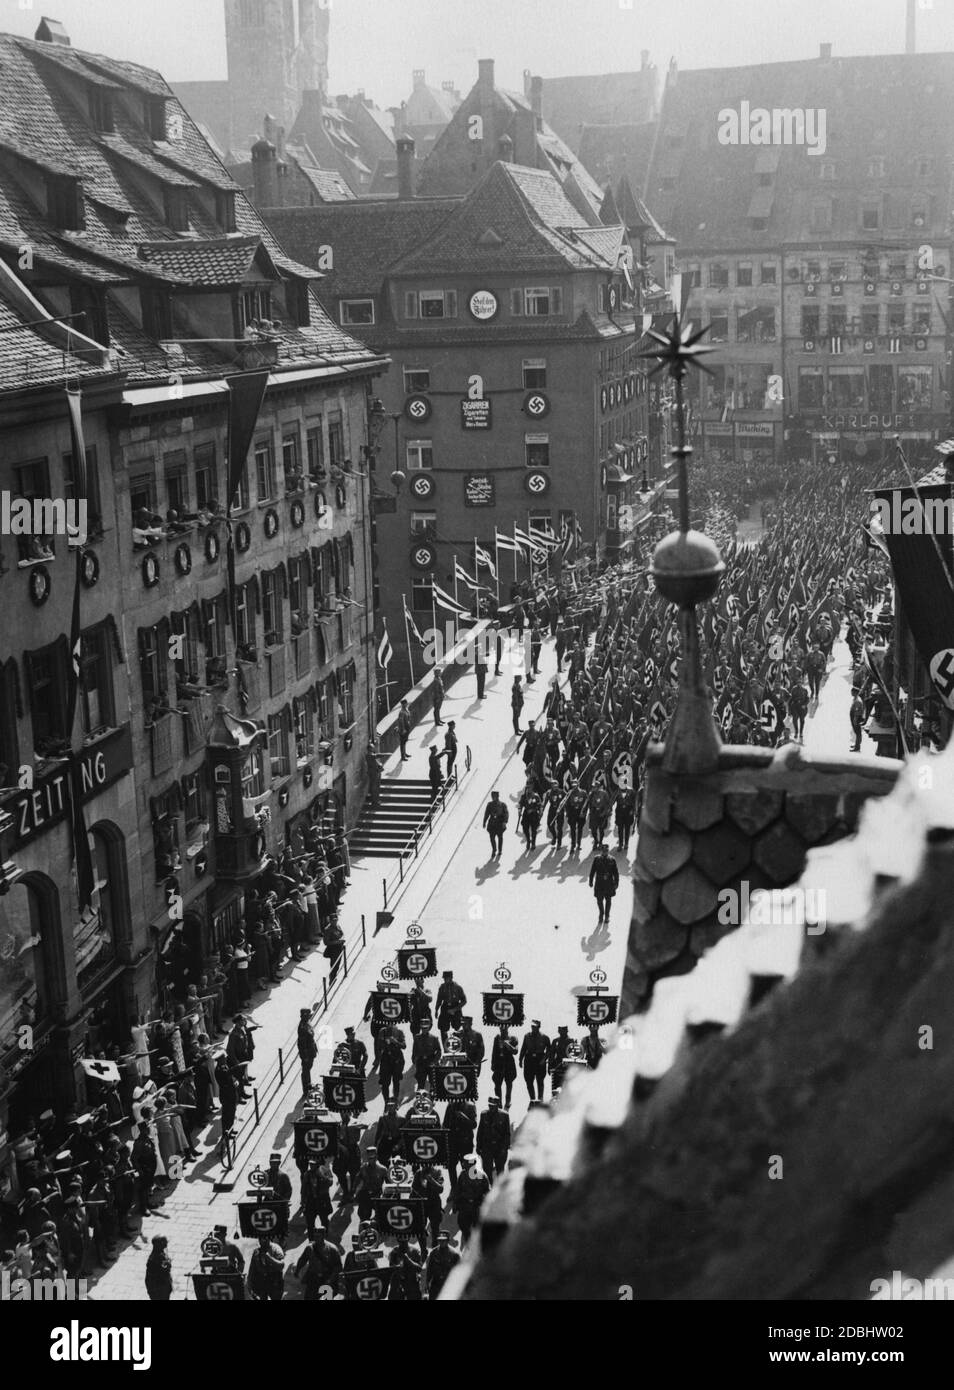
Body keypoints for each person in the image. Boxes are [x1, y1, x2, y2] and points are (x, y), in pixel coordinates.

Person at [296, 1229, 343, 1300]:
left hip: (327, 1278)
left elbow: (338, 1266)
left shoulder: (332, 1249)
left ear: (324, 1236)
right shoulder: (310, 1248)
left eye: (318, 1236)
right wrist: (297, 1270)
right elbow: (302, 1260)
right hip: (313, 1279)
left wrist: (331, 1279)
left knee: (328, 1298)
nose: (316, 1238)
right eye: (315, 1236)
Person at [452, 1156, 491, 1244]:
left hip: (476, 1205)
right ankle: (468, 1243)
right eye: (465, 1164)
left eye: (467, 1164)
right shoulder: (462, 1175)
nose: (465, 1166)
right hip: (464, 1205)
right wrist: (455, 1203)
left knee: (478, 1228)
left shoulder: (481, 1175)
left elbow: (488, 1191)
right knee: (463, 1226)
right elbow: (458, 1190)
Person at [476, 1096, 511, 1176]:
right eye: (489, 1105)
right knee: (487, 1171)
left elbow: (507, 1133)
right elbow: (480, 1131)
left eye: (493, 1105)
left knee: (500, 1171)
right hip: (487, 1147)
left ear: (497, 1105)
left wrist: (504, 1149)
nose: (491, 1107)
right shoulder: (484, 1114)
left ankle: (500, 1188)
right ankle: (489, 1187)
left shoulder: (504, 1115)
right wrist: (478, 1146)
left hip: (499, 1147)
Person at [247, 1232, 286, 1301]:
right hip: (262, 1280)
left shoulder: (276, 1249)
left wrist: (269, 1258)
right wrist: (249, 1282)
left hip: (274, 1280)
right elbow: (252, 1268)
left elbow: (281, 1265)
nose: (262, 1241)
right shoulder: (257, 1252)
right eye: (260, 1239)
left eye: (264, 1239)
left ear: (269, 1239)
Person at [131, 1123, 158, 1219]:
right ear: (142, 1130)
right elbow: (133, 1158)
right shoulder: (138, 1142)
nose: (148, 1130)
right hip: (144, 1168)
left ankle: (148, 1203)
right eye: (146, 1129)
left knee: (148, 1186)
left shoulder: (147, 1138)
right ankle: (143, 1207)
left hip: (150, 1167)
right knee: (143, 1188)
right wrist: (139, 1170)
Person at [354, 1147, 387, 1222]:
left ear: (376, 1157)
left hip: (377, 1194)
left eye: (372, 1157)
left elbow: (389, 1184)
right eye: (369, 1157)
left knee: (380, 1216)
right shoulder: (363, 1168)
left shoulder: (382, 1169)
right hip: (366, 1194)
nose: (370, 1159)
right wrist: (354, 1192)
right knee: (363, 1215)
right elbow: (357, 1180)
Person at [589, 844, 620, 922]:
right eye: (603, 851)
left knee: (608, 900)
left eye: (606, 851)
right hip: (599, 883)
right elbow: (592, 871)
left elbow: (616, 873)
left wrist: (616, 883)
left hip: (609, 883)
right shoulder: (596, 859)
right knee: (599, 900)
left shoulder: (612, 860)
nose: (605, 852)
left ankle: (607, 916)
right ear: (601, 851)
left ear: (608, 851)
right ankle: (601, 914)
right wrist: (590, 881)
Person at [426, 1231, 460, 1299]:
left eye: (444, 1240)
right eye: (440, 1240)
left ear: (448, 1241)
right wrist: (427, 1282)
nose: (441, 1242)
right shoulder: (433, 1252)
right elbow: (430, 1269)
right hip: (436, 1285)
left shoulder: (454, 1254)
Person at [436, 971, 467, 1046]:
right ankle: (445, 1047)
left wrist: (455, 1009)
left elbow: (464, 1001)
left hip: (455, 1007)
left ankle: (457, 1046)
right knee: (443, 1028)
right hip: (445, 1007)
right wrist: (436, 1009)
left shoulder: (458, 987)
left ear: (450, 978)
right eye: (444, 978)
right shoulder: (442, 987)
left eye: (446, 978)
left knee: (458, 1027)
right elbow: (439, 999)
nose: (445, 980)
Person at [491, 1024, 518, 1108]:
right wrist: (492, 1063)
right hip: (499, 1063)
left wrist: (507, 1044)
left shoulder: (513, 1038)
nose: (502, 1030)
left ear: (507, 1028)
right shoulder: (497, 1038)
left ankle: (507, 1102)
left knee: (509, 1084)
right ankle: (498, 1103)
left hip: (509, 1063)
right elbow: (494, 1051)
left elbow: (515, 1051)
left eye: (504, 1029)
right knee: (497, 1084)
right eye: (501, 1029)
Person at [378, 1025, 406, 1104]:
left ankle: (395, 1101)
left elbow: (404, 1046)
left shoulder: (399, 1031)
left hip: (397, 1059)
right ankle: (386, 1102)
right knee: (384, 1083)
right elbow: (379, 1046)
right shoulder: (383, 1031)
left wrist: (395, 1041)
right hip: (386, 1060)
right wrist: (386, 1043)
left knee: (396, 1081)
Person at [412, 1023, 441, 1089]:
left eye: (425, 1028)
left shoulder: (434, 1038)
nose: (424, 1030)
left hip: (430, 1061)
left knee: (433, 1082)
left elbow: (439, 1051)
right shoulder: (417, 1037)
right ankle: (420, 1098)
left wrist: (434, 1061)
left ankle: (432, 1097)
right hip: (421, 1062)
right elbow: (414, 1050)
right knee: (420, 1083)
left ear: (428, 1028)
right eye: (422, 1028)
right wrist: (414, 1060)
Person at [144, 1234, 173, 1300]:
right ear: (160, 1244)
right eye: (165, 1243)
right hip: (158, 1288)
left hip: (161, 1286)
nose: (166, 1244)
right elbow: (161, 1272)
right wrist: (167, 1265)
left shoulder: (160, 1252)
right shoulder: (154, 1259)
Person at [482, 790, 509, 859]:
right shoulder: (489, 804)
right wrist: (484, 822)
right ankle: (494, 849)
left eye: (494, 796)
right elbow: (487, 813)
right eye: (492, 796)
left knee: (500, 837)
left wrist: (505, 822)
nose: (493, 798)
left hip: (499, 823)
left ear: (497, 797)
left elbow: (506, 813)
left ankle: (500, 850)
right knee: (492, 838)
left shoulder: (502, 805)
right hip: (492, 823)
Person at [297, 1009, 317, 1094]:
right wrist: (305, 1056)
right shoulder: (302, 1027)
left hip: (310, 1051)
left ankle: (309, 1084)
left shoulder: (307, 1024)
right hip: (307, 1053)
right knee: (305, 1070)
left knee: (308, 1069)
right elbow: (302, 1044)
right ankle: (306, 1089)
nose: (310, 1016)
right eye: (309, 1015)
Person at [566, 780, 588, 853]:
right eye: (573, 785)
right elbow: (567, 804)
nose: (574, 787)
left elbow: (586, 804)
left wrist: (584, 813)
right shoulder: (569, 793)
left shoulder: (583, 793)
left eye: (576, 785)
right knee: (572, 829)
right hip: (572, 813)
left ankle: (579, 844)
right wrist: (568, 813)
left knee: (580, 829)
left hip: (580, 812)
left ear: (578, 784)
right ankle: (573, 845)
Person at [614, 783, 636, 852]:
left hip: (628, 812)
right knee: (620, 829)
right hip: (619, 812)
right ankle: (620, 844)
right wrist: (608, 809)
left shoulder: (631, 791)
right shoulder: (617, 791)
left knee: (627, 828)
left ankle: (626, 843)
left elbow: (635, 802)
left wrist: (633, 810)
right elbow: (612, 800)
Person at [850, 688, 865, 752]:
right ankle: (856, 744)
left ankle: (857, 747)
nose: (851, 693)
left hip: (856, 717)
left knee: (858, 733)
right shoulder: (856, 699)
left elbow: (857, 712)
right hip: (855, 717)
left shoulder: (858, 701)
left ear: (855, 692)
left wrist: (855, 719)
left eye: (852, 692)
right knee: (857, 732)